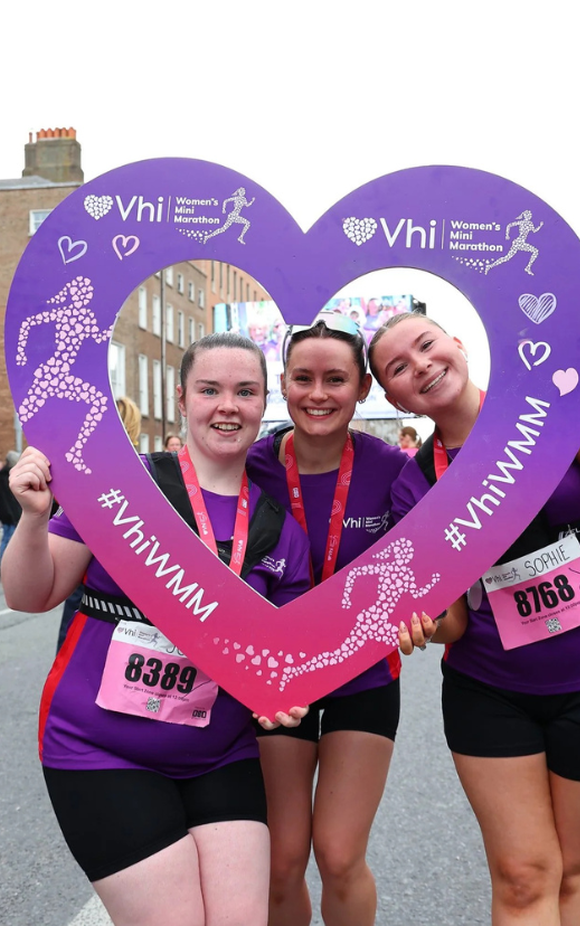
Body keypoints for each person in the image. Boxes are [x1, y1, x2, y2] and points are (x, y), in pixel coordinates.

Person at [369, 311, 580, 926]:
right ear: (392, 395)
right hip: (490, 691)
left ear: (457, 342)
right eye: (399, 367)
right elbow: (450, 619)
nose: (420, 365)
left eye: (426, 345)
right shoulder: (414, 484)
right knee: (524, 875)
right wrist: (418, 625)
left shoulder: (550, 413)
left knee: (571, 869)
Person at [3, 333, 311, 926]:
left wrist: (285, 694)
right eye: (210, 390)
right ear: (182, 398)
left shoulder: (280, 531)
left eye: (246, 392)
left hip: (221, 754)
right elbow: (28, 595)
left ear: (264, 403)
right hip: (100, 752)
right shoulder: (123, 486)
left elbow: (285, 663)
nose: (228, 405)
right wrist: (36, 520)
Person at [245, 314, 410, 926]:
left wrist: (428, 617)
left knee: (339, 855)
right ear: (281, 385)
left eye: (336, 379)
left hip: (363, 677)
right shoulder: (250, 465)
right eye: (303, 378)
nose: (318, 394)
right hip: (277, 683)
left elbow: (437, 570)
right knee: (282, 859)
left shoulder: (394, 468)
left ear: (362, 387)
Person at [55, 396, 143, 651]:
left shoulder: (82, 466)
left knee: (75, 649)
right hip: (129, 578)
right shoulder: (146, 471)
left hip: (86, 576)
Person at [0, 451, 21, 577]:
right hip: (13, 512)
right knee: (12, 540)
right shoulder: (12, 476)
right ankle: (7, 566)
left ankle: (1, 565)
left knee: (6, 539)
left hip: (4, 512)